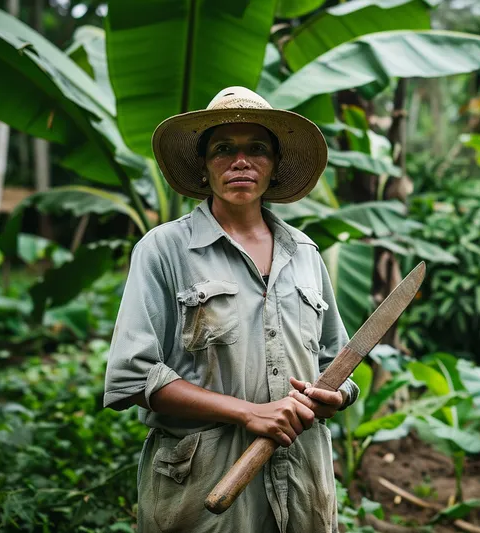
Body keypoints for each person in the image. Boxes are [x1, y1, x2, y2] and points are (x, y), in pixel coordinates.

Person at [103, 86, 360, 533]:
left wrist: (336, 396)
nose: (241, 161)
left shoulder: (305, 253)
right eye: (224, 149)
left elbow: (336, 364)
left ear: (275, 166)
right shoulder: (164, 250)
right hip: (204, 490)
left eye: (257, 149)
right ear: (204, 167)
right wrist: (248, 412)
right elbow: (132, 377)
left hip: (303, 485)